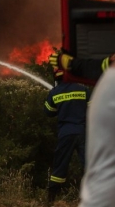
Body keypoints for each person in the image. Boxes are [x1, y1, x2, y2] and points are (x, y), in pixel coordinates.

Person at [44, 68, 89, 204]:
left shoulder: (54, 92)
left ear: (56, 79)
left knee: (59, 166)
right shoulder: (83, 89)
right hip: (82, 133)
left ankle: (51, 200)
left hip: (65, 133)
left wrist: (61, 106)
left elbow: (48, 112)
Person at [80, 67, 115, 207]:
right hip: (81, 129)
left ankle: (51, 196)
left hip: (67, 131)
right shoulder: (84, 91)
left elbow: (49, 110)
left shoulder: (109, 83)